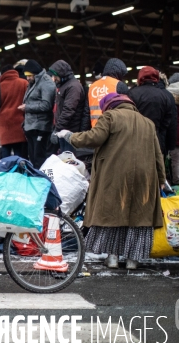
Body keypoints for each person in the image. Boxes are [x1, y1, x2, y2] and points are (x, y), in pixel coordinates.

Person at [57, 93, 166, 270]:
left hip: (116, 175)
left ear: (109, 106)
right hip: (145, 177)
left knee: (114, 213)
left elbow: (93, 138)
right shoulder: (148, 122)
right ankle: (132, 260)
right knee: (138, 217)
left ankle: (113, 257)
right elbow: (157, 154)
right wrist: (161, 178)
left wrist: (69, 136)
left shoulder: (110, 116)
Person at [127, 67, 176, 155]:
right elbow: (168, 118)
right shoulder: (164, 95)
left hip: (135, 139)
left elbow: (127, 116)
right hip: (156, 138)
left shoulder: (132, 93)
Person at [19, 59, 56, 169]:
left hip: (41, 126)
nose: (27, 78)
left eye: (29, 75)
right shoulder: (33, 82)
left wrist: (27, 107)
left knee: (39, 158)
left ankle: (40, 181)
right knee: (34, 158)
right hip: (31, 126)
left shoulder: (46, 83)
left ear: (36, 73)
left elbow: (46, 105)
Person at [0, 65, 28, 158]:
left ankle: (6, 171)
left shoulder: (0, 86)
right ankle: (19, 171)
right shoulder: (24, 83)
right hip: (20, 124)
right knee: (19, 151)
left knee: (6, 151)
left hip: (5, 125)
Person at [49, 60, 86, 154]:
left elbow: (68, 110)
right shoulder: (64, 85)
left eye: (55, 76)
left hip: (70, 133)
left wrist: (57, 129)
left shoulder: (73, 87)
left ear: (62, 74)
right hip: (63, 131)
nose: (53, 79)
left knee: (68, 161)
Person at [87, 58, 130, 128]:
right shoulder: (119, 85)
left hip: (95, 129)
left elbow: (87, 112)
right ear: (119, 72)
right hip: (113, 129)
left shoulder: (92, 86)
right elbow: (127, 111)